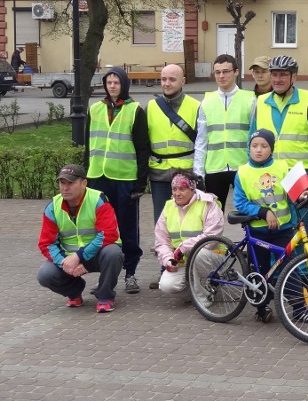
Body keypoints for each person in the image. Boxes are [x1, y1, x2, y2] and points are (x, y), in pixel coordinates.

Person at [233, 129, 308, 324]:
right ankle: (261, 307)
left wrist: (304, 195)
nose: (258, 150)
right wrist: (262, 212)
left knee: (290, 267)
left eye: (264, 146)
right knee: (260, 268)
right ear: (249, 148)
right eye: (254, 146)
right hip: (258, 230)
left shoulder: (282, 167)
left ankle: (299, 309)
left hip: (283, 229)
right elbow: (239, 202)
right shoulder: (243, 172)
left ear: (271, 149)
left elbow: (293, 193)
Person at [84, 66, 149, 295]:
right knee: (101, 229)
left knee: (127, 228)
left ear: (124, 85)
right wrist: (85, 177)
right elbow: (87, 145)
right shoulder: (95, 109)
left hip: (124, 178)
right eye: (109, 82)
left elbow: (143, 149)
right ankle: (105, 275)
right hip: (98, 177)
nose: (112, 86)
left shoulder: (135, 111)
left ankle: (130, 274)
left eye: (116, 82)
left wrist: (141, 183)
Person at [249, 55, 308, 234]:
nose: (277, 79)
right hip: (269, 177)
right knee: (273, 231)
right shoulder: (261, 102)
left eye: (283, 75)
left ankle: (303, 263)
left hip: (300, 176)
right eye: (274, 74)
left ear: (294, 77)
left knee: (302, 231)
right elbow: (251, 141)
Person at [37, 164, 124, 313]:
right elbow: (46, 243)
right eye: (62, 183)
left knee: (113, 253)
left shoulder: (98, 199)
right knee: (44, 275)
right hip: (68, 258)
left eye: (70, 183)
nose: (65, 188)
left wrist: (80, 257)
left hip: (97, 254)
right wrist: (64, 262)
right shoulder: (52, 206)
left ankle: (105, 296)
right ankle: (75, 292)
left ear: (84, 183)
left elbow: (108, 234)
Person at [194, 54, 255, 210]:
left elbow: (256, 134)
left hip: (243, 166)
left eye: (226, 71)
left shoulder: (250, 100)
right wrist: (198, 172)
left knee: (251, 213)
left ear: (235, 72)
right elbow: (201, 140)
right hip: (214, 167)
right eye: (217, 72)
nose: (221, 76)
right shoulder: (206, 102)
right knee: (212, 218)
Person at [153, 172, 224, 295]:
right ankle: (193, 290)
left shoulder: (208, 204)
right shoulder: (169, 206)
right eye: (174, 189)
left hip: (211, 256)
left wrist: (184, 247)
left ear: (192, 189)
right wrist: (168, 259)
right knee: (167, 285)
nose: (177, 193)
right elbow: (161, 240)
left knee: (199, 253)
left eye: (182, 189)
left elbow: (211, 239)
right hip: (183, 260)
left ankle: (204, 296)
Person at [147, 64, 200, 226]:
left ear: (183, 81)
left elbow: (202, 142)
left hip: (187, 171)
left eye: (172, 79)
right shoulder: (151, 107)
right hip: (159, 173)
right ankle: (163, 248)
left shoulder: (196, 106)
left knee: (189, 218)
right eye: (163, 79)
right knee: (162, 218)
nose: (166, 83)